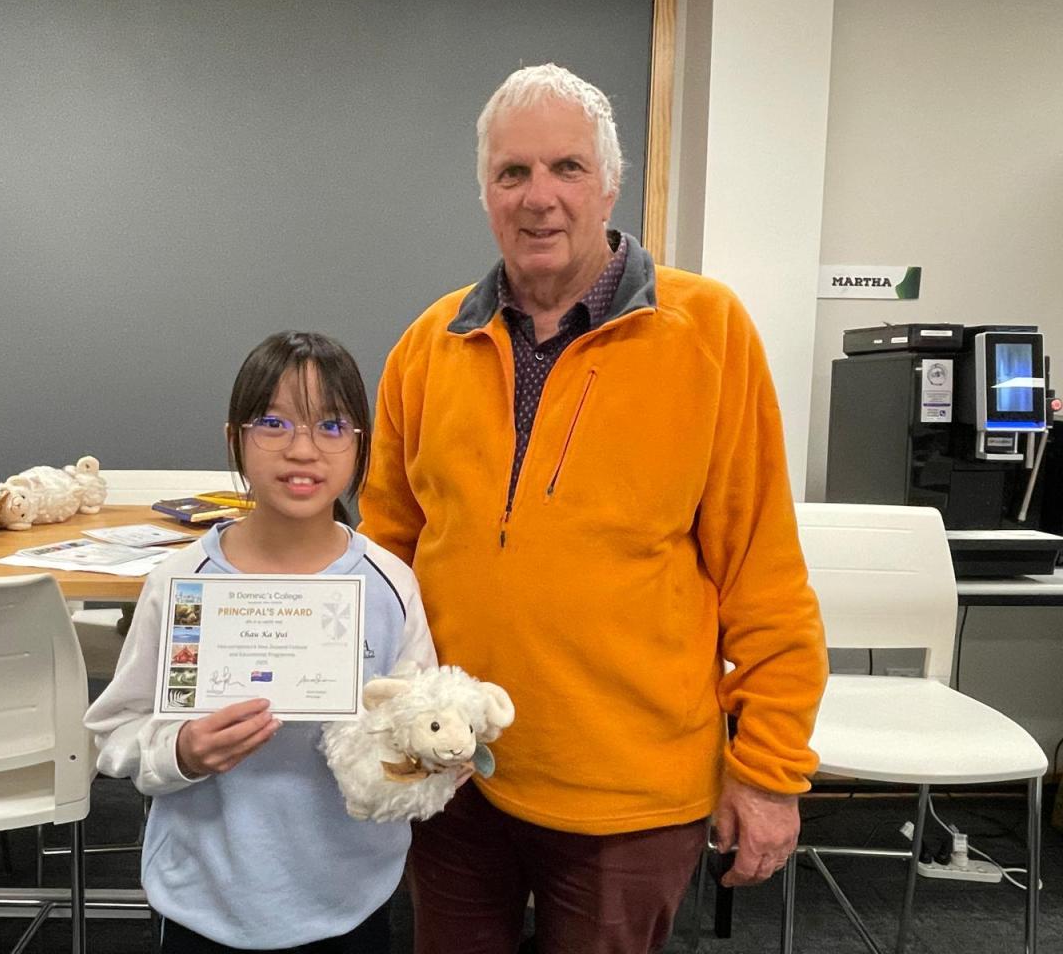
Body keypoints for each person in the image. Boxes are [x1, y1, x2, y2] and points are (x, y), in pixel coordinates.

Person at [358, 63, 828, 954]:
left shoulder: (707, 332)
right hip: (452, 774)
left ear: (610, 184)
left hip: (628, 794)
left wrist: (769, 771)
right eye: (512, 172)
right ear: (485, 193)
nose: (539, 197)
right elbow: (386, 555)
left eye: (567, 168)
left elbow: (763, 573)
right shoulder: (430, 345)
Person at [85, 330, 437, 953]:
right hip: (204, 896)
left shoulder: (388, 585)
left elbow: (420, 727)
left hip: (349, 897)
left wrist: (424, 760)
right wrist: (182, 752)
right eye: (273, 424)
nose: (303, 450)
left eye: (332, 426)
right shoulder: (183, 583)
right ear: (236, 440)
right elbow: (114, 734)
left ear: (361, 445)